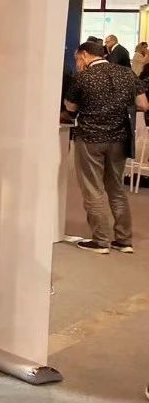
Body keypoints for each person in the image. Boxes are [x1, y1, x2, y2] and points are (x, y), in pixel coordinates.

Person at [63, 39, 149, 253]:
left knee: (93, 188)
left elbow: (70, 108)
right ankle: (124, 240)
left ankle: (101, 240)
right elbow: (143, 104)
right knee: (117, 188)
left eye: (77, 59)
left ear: (84, 55)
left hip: (90, 137)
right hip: (119, 138)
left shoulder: (82, 77)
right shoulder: (127, 73)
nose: (77, 63)